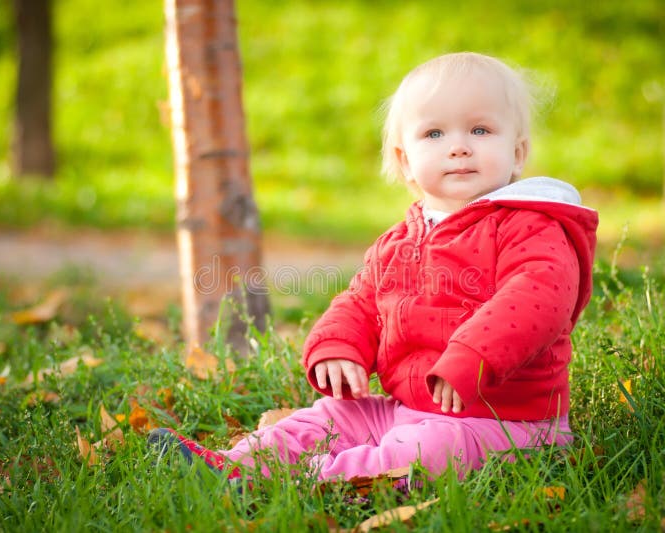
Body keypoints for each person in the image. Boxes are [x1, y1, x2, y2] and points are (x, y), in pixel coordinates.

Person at [149, 51, 598, 482]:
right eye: (435, 135)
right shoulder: (399, 241)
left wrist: (474, 356)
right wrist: (339, 346)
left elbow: (536, 299)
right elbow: (362, 302)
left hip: (503, 420)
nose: (459, 147)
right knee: (326, 419)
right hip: (408, 405)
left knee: (423, 455)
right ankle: (236, 466)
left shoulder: (530, 225)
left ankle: (299, 483)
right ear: (405, 161)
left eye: (480, 131)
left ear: (517, 153)